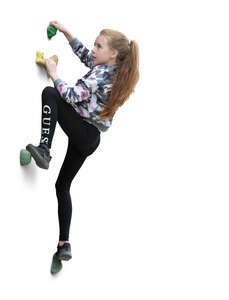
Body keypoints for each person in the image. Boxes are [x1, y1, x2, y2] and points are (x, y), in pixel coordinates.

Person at [26, 20, 139, 261]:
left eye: (99, 46)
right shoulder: (113, 71)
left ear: (113, 53)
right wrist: (67, 33)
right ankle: (64, 244)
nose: (93, 49)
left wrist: (53, 72)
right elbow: (87, 57)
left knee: (51, 93)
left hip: (83, 130)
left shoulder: (100, 76)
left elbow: (70, 96)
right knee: (62, 187)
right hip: (90, 139)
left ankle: (44, 148)